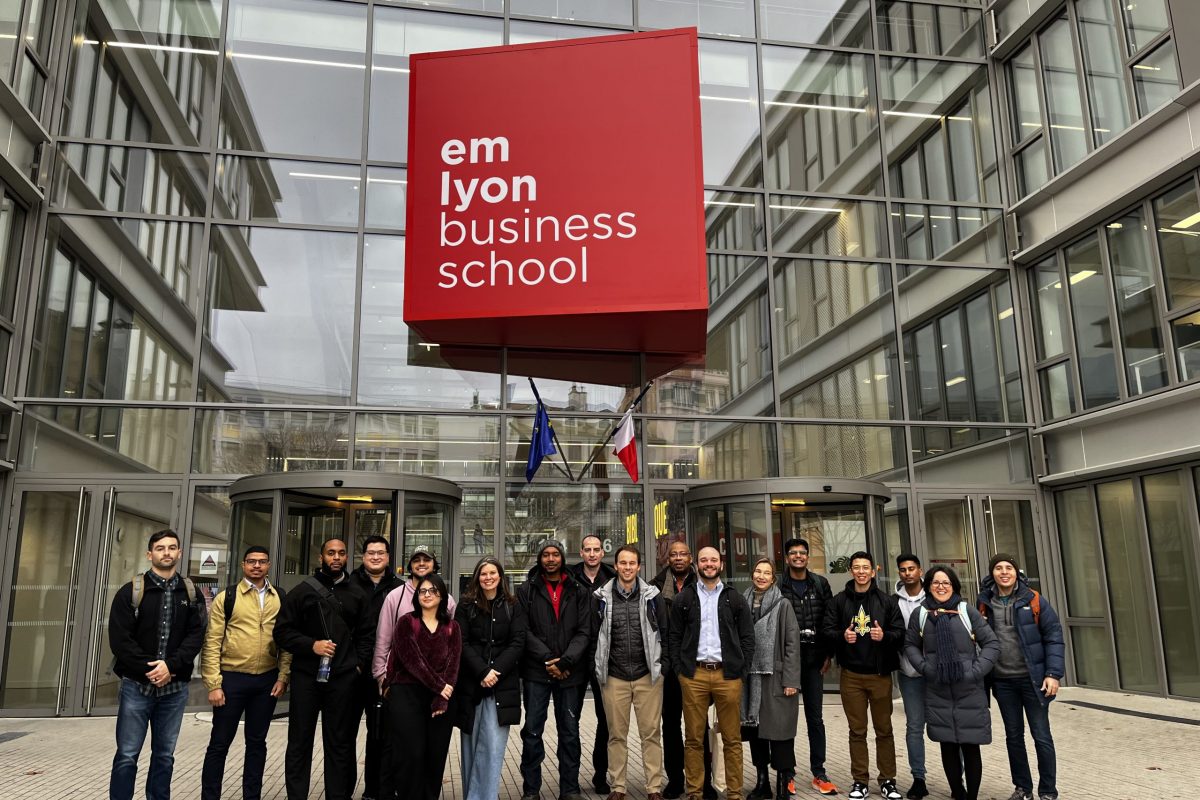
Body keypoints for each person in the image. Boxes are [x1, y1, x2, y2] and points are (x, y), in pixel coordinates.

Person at [108, 529, 206, 800]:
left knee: (164, 756)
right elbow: (120, 640)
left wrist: (170, 667)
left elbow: (196, 635)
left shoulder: (191, 592)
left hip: (174, 690)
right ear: (150, 554)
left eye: (172, 547)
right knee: (127, 755)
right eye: (160, 548)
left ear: (179, 553)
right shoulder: (131, 591)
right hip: (136, 688)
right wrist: (151, 669)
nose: (167, 552)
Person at [273, 538, 372, 800]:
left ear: (346, 557)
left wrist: (358, 666)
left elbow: (367, 635)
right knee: (299, 742)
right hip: (306, 677)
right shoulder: (302, 592)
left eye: (341, 553)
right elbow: (281, 632)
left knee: (339, 743)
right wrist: (311, 645)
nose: (336, 557)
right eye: (331, 553)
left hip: (343, 679)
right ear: (321, 558)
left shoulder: (357, 592)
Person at [200, 546, 291, 800]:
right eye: (251, 561)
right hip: (231, 679)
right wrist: (213, 684)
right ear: (243, 565)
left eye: (262, 562)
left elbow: (286, 642)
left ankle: (252, 796)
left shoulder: (279, 597)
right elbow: (212, 642)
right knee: (219, 744)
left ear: (269, 565)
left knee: (257, 744)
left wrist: (283, 676)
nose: (257, 566)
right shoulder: (227, 597)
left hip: (266, 680)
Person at [904, 566, 1000, 800]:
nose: (940, 587)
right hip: (938, 688)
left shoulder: (966, 611)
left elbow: (991, 644)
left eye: (945, 582)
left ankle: (972, 796)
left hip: (969, 688)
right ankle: (958, 792)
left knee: (970, 745)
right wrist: (927, 669)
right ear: (929, 587)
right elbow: (910, 646)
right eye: (936, 583)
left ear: (954, 586)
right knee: (947, 745)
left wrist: (975, 672)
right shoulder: (922, 613)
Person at [668, 545, 755, 800]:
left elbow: (747, 638)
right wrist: (679, 670)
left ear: (721, 564)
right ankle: (695, 792)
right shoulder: (684, 598)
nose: (709, 564)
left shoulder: (733, 598)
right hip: (693, 675)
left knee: (732, 739)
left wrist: (742, 671)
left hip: (727, 676)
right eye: (704, 560)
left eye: (713, 560)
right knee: (693, 739)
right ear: (697, 563)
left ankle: (735, 793)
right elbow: (674, 637)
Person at [976, 554, 1065, 800]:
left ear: (1016, 572)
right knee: (1013, 737)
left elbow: (1053, 636)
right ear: (992, 573)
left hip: (1033, 681)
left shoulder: (1034, 599)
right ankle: (1023, 788)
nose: (1004, 572)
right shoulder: (984, 602)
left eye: (1008, 568)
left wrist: (1053, 674)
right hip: (1003, 682)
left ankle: (1048, 791)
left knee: (1041, 736)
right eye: (998, 568)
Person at [822, 550, 905, 800]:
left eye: (865, 567)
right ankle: (860, 781)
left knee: (884, 730)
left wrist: (885, 636)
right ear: (851, 571)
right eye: (856, 567)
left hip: (879, 675)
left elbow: (900, 632)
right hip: (851, 676)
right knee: (857, 731)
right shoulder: (839, 601)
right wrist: (841, 636)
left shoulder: (887, 601)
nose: (860, 571)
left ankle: (888, 780)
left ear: (874, 570)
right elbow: (827, 629)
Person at [593, 544, 670, 800]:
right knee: (616, 735)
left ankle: (654, 787)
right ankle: (618, 787)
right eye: (622, 563)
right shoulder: (601, 597)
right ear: (615, 566)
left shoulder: (652, 596)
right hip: (614, 677)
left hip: (647, 675)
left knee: (651, 734)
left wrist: (663, 666)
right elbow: (594, 636)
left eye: (632, 563)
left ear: (639, 567)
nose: (627, 568)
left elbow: (665, 633)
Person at [518, 539, 593, 800]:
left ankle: (569, 789)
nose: (551, 559)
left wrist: (565, 662)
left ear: (562, 557)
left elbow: (585, 631)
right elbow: (523, 632)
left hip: (571, 672)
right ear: (540, 558)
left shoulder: (579, 590)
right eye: (546, 554)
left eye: (555, 554)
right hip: (537, 672)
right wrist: (550, 659)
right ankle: (531, 790)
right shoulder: (526, 590)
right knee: (533, 731)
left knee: (570, 732)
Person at [375, 573, 462, 800]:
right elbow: (412, 660)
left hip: (439, 699)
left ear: (442, 595)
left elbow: (454, 665)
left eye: (433, 590)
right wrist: (439, 686)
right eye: (423, 591)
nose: (427, 595)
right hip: (407, 694)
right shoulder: (406, 622)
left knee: (435, 756)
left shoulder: (453, 627)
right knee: (411, 755)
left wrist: (442, 697)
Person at [455, 557, 528, 800]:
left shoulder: (513, 605)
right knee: (470, 748)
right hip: (471, 686)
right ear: (477, 577)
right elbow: (461, 642)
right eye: (483, 573)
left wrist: (495, 671)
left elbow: (518, 642)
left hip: (501, 686)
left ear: (500, 576)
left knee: (493, 749)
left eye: (492, 573)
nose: (488, 577)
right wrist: (481, 671)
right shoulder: (465, 606)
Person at [778, 537, 838, 796]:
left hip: (815, 658)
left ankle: (819, 772)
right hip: (788, 659)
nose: (799, 557)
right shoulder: (778, 584)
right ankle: (787, 773)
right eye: (794, 553)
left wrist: (829, 653)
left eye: (803, 553)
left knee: (815, 718)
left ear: (808, 556)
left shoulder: (820, 584)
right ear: (787, 557)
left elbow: (830, 619)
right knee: (786, 718)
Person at [346, 535, 404, 800]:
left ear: (388, 556)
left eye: (381, 553)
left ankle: (377, 790)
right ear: (363, 556)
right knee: (344, 735)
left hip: (384, 675)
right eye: (371, 553)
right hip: (351, 671)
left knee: (381, 735)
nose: (376, 557)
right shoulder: (348, 584)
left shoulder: (400, 588)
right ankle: (342, 790)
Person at [740, 558, 801, 800]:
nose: (761, 576)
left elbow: (792, 645)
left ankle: (784, 782)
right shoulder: (742, 602)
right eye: (757, 571)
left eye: (767, 573)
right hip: (750, 678)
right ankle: (762, 781)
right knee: (755, 731)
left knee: (780, 732)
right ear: (752, 574)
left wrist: (791, 681)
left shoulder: (782, 604)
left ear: (773, 579)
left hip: (776, 678)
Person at [650, 540, 701, 799]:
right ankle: (674, 780)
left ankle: (702, 781)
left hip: (697, 666)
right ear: (666, 559)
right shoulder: (654, 587)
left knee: (698, 727)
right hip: (668, 666)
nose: (678, 558)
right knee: (670, 726)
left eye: (683, 554)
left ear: (690, 557)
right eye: (674, 554)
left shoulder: (704, 583)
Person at [568, 533, 617, 794]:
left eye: (596, 549)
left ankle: (600, 774)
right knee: (569, 721)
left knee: (606, 719)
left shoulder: (612, 577)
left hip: (603, 657)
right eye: (587, 549)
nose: (592, 554)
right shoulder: (569, 577)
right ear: (581, 551)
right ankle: (570, 777)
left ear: (602, 552)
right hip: (574, 658)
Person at [893, 553, 928, 800]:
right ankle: (919, 778)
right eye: (903, 570)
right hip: (908, 673)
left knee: (948, 725)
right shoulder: (893, 601)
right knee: (914, 726)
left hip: (937, 674)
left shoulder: (935, 595)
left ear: (920, 570)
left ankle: (957, 778)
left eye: (911, 568)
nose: (908, 573)